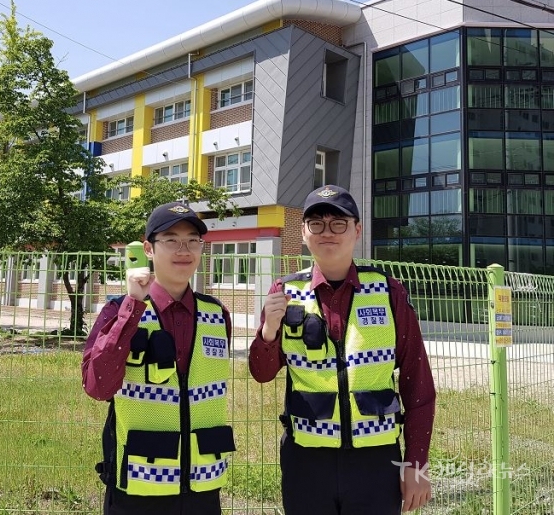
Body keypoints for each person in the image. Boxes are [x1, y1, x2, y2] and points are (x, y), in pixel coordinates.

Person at [249, 185, 436, 514]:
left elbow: (417, 383)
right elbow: (262, 374)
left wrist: (415, 464)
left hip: (376, 460)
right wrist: (268, 333)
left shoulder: (388, 292)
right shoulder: (285, 291)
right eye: (316, 223)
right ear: (304, 233)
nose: (327, 232)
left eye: (339, 223)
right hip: (306, 461)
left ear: (357, 230)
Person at [82, 202, 235, 515]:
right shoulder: (119, 310)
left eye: (193, 240)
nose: (184, 249)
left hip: (203, 487)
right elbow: (97, 385)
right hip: (138, 487)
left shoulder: (217, 315)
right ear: (149, 249)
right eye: (171, 240)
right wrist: (133, 306)